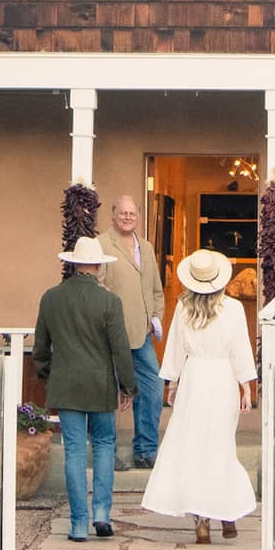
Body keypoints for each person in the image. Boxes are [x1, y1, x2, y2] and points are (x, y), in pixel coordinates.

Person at [141, 249, 257, 544]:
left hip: (194, 376)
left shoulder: (183, 308)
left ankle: (202, 522)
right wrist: (246, 385)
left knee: (193, 445)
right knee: (220, 445)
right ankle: (226, 512)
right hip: (222, 377)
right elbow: (241, 349)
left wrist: (173, 383)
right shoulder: (232, 309)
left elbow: (176, 349)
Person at [33, 235, 137, 542]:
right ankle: (102, 513)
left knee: (74, 452)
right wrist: (127, 386)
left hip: (66, 384)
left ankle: (79, 523)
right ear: (99, 267)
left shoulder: (51, 298)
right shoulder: (109, 302)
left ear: (73, 263)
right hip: (101, 384)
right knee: (104, 445)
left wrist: (50, 374)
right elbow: (120, 349)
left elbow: (40, 348)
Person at [98, 195, 165, 469]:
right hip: (110, 335)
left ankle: (146, 450)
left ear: (138, 216)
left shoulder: (146, 247)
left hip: (142, 335)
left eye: (132, 213)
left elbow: (156, 289)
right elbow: (97, 285)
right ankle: (107, 453)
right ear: (113, 215)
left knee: (152, 389)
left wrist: (155, 318)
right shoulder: (101, 244)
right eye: (122, 213)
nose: (127, 217)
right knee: (107, 393)